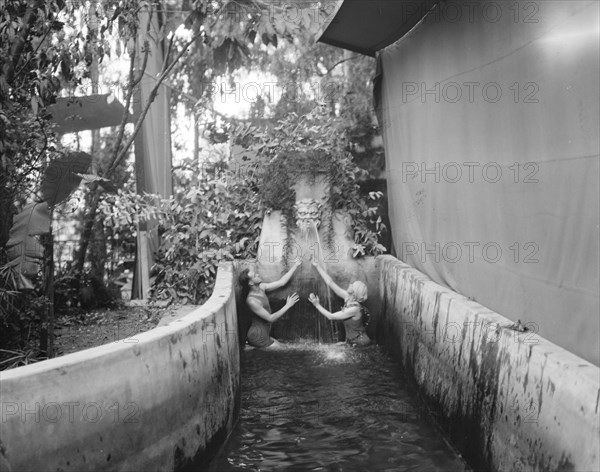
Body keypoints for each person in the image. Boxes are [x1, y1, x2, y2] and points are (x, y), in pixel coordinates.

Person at [238, 260, 302, 348]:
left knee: (286, 347)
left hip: (263, 333)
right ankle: (251, 345)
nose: (258, 275)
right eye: (255, 275)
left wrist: (295, 266)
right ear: (251, 283)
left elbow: (281, 282)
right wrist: (288, 305)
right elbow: (270, 318)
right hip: (257, 336)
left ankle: (251, 347)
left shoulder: (261, 287)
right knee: (287, 352)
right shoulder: (252, 300)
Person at [308, 260, 371, 347]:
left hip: (361, 342)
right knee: (329, 348)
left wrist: (317, 305)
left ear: (355, 292)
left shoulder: (354, 309)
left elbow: (331, 316)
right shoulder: (348, 297)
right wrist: (317, 266)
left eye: (353, 285)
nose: (350, 284)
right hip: (352, 342)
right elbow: (330, 283)